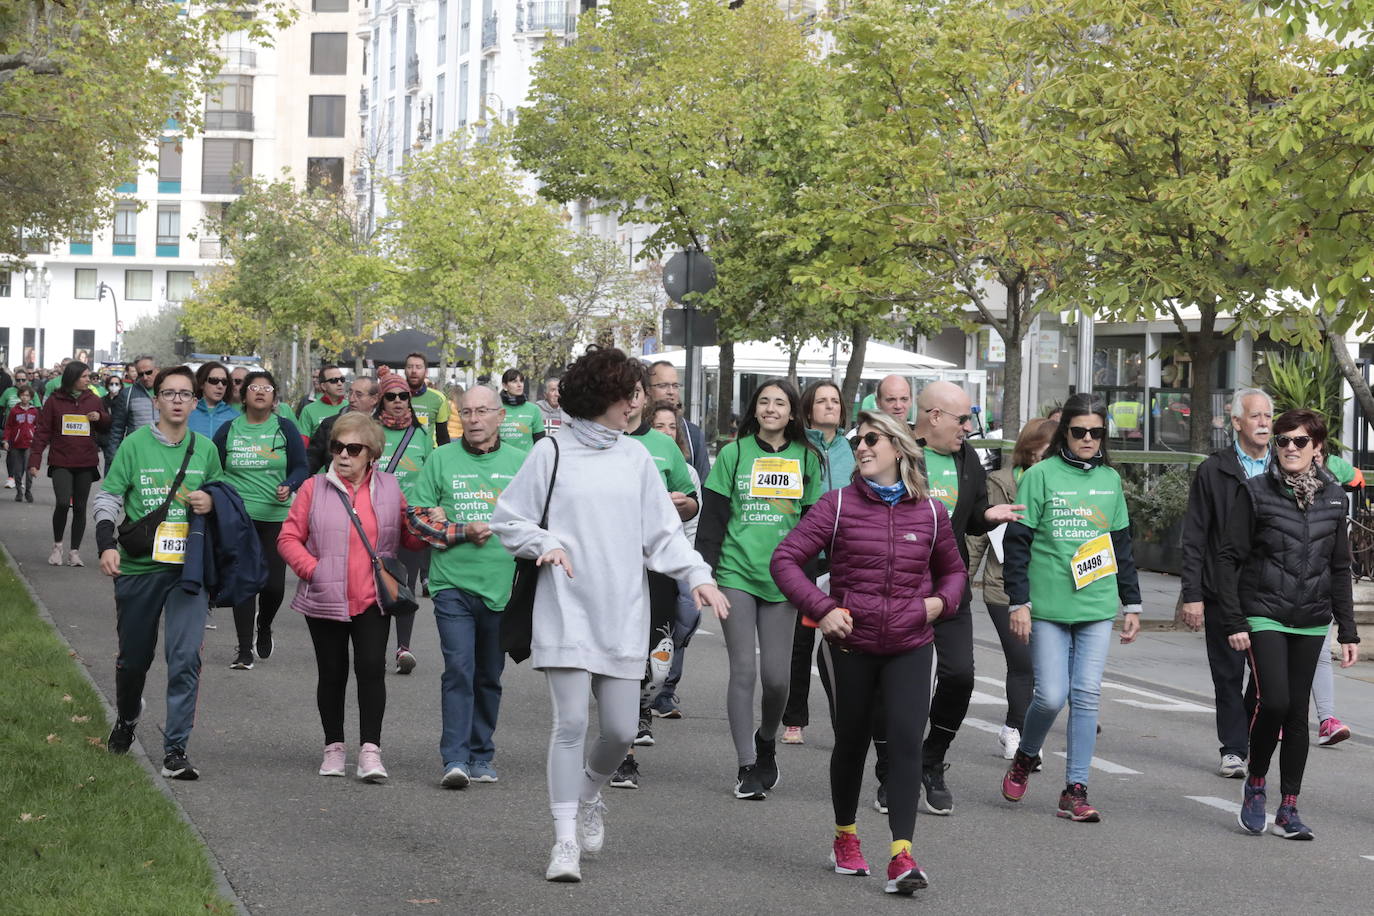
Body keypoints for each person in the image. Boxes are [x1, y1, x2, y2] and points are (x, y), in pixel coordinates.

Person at [491, 345, 728, 883]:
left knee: (620, 731)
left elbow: (662, 538)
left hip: (623, 610)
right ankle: (564, 840)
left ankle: (589, 796)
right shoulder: (551, 452)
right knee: (571, 723)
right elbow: (509, 519)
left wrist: (699, 577)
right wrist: (544, 542)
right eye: (631, 394)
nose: (638, 404)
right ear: (604, 397)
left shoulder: (636, 458)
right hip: (565, 606)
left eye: (640, 393)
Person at [772, 410, 965, 895]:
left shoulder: (932, 512)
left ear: (898, 448)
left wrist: (940, 603)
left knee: (904, 743)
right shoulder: (835, 506)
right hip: (850, 646)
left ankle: (902, 856)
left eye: (872, 440)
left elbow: (955, 573)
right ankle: (845, 835)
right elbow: (785, 559)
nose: (861, 447)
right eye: (858, 441)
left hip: (910, 644)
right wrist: (822, 607)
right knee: (853, 742)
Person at [866, 380, 1017, 816]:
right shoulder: (892, 450)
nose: (969, 427)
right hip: (894, 589)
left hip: (947, 587)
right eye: (963, 419)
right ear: (933, 417)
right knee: (889, 688)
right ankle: (891, 771)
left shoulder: (967, 458)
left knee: (960, 676)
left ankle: (931, 760)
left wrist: (989, 516)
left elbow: (968, 519)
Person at [1215, 408, 1360, 839]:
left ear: (1317, 449)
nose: (1290, 448)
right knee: (1273, 701)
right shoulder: (1256, 492)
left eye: (1300, 441)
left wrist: (1347, 630)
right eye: (1283, 441)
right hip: (1264, 613)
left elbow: (1339, 569)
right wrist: (1234, 618)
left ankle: (1289, 807)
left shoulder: (1335, 498)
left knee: (1297, 713)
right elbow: (1228, 559)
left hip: (1312, 619)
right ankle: (1255, 784)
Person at [1000, 393, 1142, 821]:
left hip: (1096, 604)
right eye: (1079, 431)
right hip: (1047, 605)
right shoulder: (1040, 476)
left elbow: (1121, 544)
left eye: (1096, 433)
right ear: (1065, 433)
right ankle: (1025, 755)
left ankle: (1075, 790)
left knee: (1085, 696)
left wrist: (1131, 602)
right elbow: (1017, 543)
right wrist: (1018, 602)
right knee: (1051, 696)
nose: (1088, 439)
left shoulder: (1111, 481)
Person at [277, 411, 424, 783]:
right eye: (337, 447)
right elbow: (288, 538)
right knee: (332, 673)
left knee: (372, 669)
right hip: (325, 595)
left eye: (352, 448)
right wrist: (314, 570)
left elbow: (407, 538)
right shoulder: (312, 488)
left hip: (373, 596)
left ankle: (370, 752)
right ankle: (334, 748)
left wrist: (423, 527)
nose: (343, 455)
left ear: (371, 453)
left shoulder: (390, 488)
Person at [696, 377, 823, 800]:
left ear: (792, 413)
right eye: (764, 402)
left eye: (780, 403)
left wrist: (805, 576)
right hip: (736, 575)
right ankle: (746, 764)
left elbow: (815, 525)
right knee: (744, 672)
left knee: (777, 681)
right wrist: (706, 574)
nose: (771, 408)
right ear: (754, 410)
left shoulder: (807, 457)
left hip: (784, 580)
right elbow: (712, 519)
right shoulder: (733, 454)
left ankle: (767, 737)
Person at [94, 366, 222, 779]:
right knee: (134, 660)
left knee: (184, 658)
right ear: (157, 401)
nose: (179, 400)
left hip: (188, 571)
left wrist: (211, 501)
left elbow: (224, 498)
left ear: (195, 401)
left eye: (186, 394)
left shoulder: (205, 450)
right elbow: (110, 497)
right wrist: (105, 543)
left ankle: (175, 751)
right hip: (138, 567)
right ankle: (128, 717)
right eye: (170, 393)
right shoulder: (134, 446)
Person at [406, 385, 527, 787]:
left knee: (489, 675)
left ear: (500, 417)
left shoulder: (522, 463)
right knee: (459, 669)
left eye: (482, 411)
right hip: (451, 584)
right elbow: (417, 518)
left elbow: (540, 522)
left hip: (501, 588)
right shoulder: (441, 459)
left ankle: (481, 754)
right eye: (467, 412)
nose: (474, 419)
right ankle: (454, 759)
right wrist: (459, 531)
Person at [607, 366, 700, 789]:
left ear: (645, 399)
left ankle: (644, 708)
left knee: (658, 667)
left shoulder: (663, 446)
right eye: (622, 393)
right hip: (610, 571)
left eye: (637, 393)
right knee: (619, 661)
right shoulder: (600, 443)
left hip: (657, 569)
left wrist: (685, 506)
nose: (630, 401)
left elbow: (693, 500)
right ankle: (623, 752)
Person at [1179, 388, 1273, 777]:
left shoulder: (1285, 467)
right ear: (1236, 422)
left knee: (1267, 676)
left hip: (1270, 591)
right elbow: (1195, 535)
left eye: (1269, 416)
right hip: (1222, 589)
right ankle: (1234, 749)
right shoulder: (1213, 470)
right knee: (1227, 673)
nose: (1265, 423)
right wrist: (1193, 595)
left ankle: (1251, 732)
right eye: (1256, 416)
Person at [965, 418, 1056, 759]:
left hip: (1045, 587)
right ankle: (1018, 732)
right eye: (1049, 451)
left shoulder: (1059, 484)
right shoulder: (999, 482)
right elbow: (978, 535)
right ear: (1031, 452)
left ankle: (1013, 728)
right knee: (1023, 663)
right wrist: (961, 580)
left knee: (1040, 666)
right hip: (1003, 587)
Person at [213, 370, 309, 670]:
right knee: (244, 582)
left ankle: (264, 625)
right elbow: (212, 468)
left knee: (273, 587)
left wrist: (289, 485)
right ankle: (243, 650)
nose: (259, 392)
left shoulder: (284, 428)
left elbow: (301, 467)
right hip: (239, 520)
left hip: (276, 517)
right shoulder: (229, 429)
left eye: (266, 388)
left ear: (274, 396)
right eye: (253, 387)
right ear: (244, 395)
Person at [781, 380, 856, 746]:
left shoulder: (854, 449)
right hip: (806, 557)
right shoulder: (797, 448)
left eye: (835, 401)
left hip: (844, 558)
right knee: (799, 641)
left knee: (843, 641)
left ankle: (846, 721)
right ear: (808, 410)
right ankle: (794, 719)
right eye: (822, 401)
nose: (830, 406)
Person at [647, 401, 705, 720]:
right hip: (644, 557)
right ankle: (635, 685)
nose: (667, 432)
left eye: (672, 427)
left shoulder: (689, 473)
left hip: (679, 554)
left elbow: (695, 520)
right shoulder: (639, 461)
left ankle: (666, 690)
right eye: (659, 426)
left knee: (683, 618)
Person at [374, 374, 434, 673]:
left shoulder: (422, 435)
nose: (398, 401)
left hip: (409, 520)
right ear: (381, 400)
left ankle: (403, 649)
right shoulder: (371, 431)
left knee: (405, 585)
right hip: (373, 518)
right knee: (374, 585)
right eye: (391, 396)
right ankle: (373, 646)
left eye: (403, 396)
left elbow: (431, 474)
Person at [30, 361, 111, 567]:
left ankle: (75, 552)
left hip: (85, 461)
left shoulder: (93, 399)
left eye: (88, 376)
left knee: (81, 507)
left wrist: (99, 416)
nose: (88, 380)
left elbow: (106, 425)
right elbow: (42, 432)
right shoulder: (54, 401)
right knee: (64, 502)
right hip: (61, 461)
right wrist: (35, 460)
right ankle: (57, 546)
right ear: (72, 378)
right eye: (84, 376)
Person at [649, 360, 710, 482]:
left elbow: (703, 483)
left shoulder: (693, 434)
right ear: (647, 390)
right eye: (663, 386)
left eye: (675, 386)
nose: (671, 391)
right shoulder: (634, 428)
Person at [308, 376, 380, 474]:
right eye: (350, 393)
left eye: (359, 395)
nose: (351, 399)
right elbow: (311, 460)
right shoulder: (330, 424)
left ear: (374, 399)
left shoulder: (382, 426)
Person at [108, 354, 158, 454]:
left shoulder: (169, 392)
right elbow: (117, 429)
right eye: (140, 374)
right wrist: (113, 458)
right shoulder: (127, 394)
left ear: (157, 369)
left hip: (163, 452)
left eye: (148, 372)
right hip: (137, 453)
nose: (145, 377)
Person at [403, 352, 451, 445]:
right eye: (409, 367)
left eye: (418, 367)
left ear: (426, 372)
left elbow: (443, 437)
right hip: (399, 454)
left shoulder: (438, 398)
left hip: (428, 456)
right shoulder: (393, 396)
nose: (414, 371)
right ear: (405, 370)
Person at [4, 384, 38, 502]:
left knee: (29, 469)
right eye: (23, 395)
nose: (25, 398)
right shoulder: (14, 410)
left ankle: (28, 491)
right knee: (17, 470)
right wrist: (6, 440)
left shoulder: (34, 411)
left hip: (29, 443)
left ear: (31, 397)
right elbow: (8, 426)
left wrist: (38, 440)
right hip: (15, 444)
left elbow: (38, 426)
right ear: (19, 396)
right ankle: (19, 491)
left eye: (27, 396)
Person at [497, 369, 546, 450]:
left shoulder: (533, 409)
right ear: (505, 386)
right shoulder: (496, 409)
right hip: (501, 460)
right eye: (514, 381)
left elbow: (540, 442)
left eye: (521, 381)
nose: (519, 385)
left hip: (526, 460)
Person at [188, 361, 240, 439]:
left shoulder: (236, 417)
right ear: (202, 383)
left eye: (224, 382)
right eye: (214, 380)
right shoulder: (186, 412)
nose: (220, 386)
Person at [297, 365, 349, 438]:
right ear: (323, 386)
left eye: (342, 379)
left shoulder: (350, 407)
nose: (340, 383)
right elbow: (303, 444)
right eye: (334, 380)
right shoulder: (308, 410)